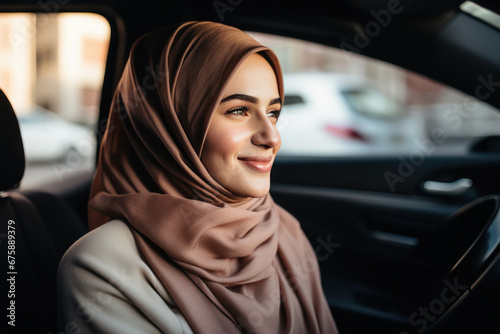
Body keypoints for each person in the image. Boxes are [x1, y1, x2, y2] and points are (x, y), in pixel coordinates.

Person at [57, 21, 338, 334]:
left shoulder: (283, 230)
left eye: (273, 112)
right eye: (240, 110)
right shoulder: (101, 265)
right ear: (168, 124)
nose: (272, 137)